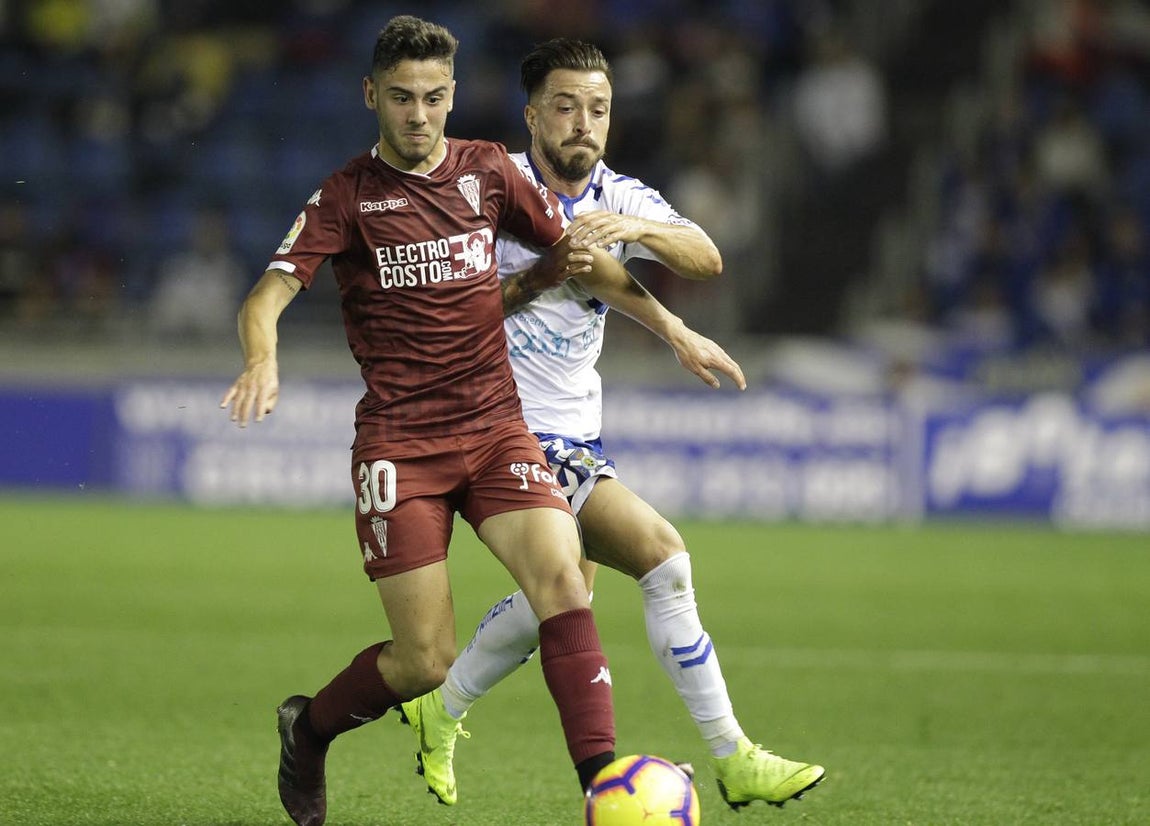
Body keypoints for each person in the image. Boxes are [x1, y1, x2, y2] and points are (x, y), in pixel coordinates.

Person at [399, 38, 826, 811]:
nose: (582, 123)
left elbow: (704, 257)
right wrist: (544, 273)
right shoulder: (487, 188)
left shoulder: (621, 195)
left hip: (577, 432)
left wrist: (662, 288)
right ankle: (734, 757)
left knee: (555, 604)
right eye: (564, 106)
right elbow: (459, 313)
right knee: (665, 559)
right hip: (506, 429)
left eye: (597, 108)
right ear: (532, 115)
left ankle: (441, 707)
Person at [219, 18, 621, 826]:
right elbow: (265, 296)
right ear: (372, 95)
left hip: (496, 428)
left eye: (434, 97)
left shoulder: (486, 172)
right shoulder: (346, 197)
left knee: (564, 582)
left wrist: (666, 311)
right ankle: (310, 729)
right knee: (426, 660)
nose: (418, 114)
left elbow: (573, 254)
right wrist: (261, 356)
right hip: (401, 447)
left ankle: (605, 790)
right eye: (401, 97)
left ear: (453, 96)